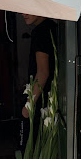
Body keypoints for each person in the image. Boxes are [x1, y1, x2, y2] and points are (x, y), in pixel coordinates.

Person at [20, 14, 57, 146]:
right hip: (52, 96)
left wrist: (28, 105)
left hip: (42, 99)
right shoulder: (53, 27)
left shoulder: (41, 31)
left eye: (28, 9)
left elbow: (43, 72)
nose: (23, 14)